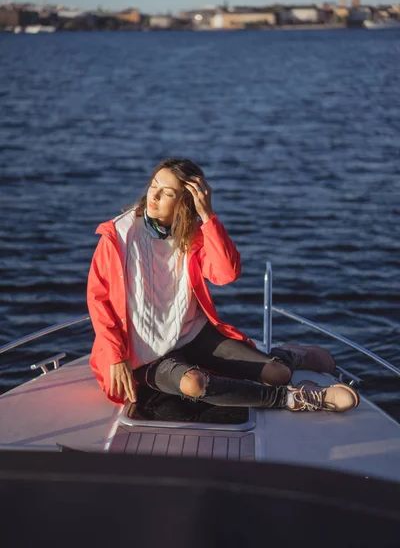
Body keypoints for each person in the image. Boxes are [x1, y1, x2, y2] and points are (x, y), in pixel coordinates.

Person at [87, 158, 359, 414]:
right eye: (153, 186)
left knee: (278, 374)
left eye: (167, 193)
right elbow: (99, 300)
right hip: (142, 353)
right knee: (194, 383)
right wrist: (115, 355)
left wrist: (208, 217)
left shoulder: (193, 237)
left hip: (191, 334)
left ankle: (288, 356)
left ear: (186, 202)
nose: (154, 197)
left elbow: (226, 274)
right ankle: (292, 399)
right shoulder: (118, 236)